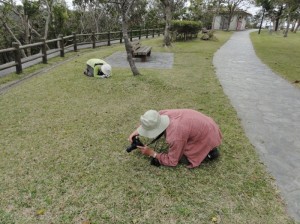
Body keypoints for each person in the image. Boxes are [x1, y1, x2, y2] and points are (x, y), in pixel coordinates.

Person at [128, 109, 222, 168]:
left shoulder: (175, 136)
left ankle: (209, 153)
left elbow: (172, 161)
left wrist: (152, 153)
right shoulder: (162, 114)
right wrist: (137, 132)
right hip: (208, 125)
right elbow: (150, 121)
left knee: (183, 158)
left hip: (209, 136)